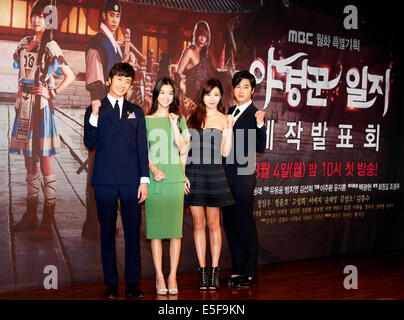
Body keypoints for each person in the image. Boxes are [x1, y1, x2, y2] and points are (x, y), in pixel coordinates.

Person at [83, 62, 149, 299]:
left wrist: (144, 180)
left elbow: (142, 148)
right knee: (107, 233)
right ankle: (111, 283)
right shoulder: (95, 108)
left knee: (133, 232)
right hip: (105, 181)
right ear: (110, 80)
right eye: (119, 79)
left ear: (131, 85)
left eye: (128, 81)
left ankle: (132, 283)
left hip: (132, 181)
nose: (123, 84)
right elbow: (89, 142)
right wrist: (94, 116)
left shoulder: (136, 111)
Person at [10, 0, 75, 239]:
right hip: (24, 107)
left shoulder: (51, 45)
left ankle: (47, 222)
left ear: (49, 20)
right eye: (34, 15)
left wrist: (52, 92)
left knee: (45, 161)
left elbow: (68, 75)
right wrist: (20, 87)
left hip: (42, 108)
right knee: (29, 162)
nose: (36, 20)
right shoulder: (25, 43)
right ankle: (30, 215)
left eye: (42, 16)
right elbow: (21, 68)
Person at [185, 78, 235, 290]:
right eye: (208, 94)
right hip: (194, 174)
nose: (212, 99)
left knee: (214, 224)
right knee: (198, 224)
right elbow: (183, 150)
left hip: (214, 174)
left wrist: (230, 129)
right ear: (202, 95)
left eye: (216, 94)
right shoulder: (192, 117)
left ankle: (214, 271)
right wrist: (182, 175)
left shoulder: (225, 119)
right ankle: (202, 271)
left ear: (220, 96)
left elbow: (225, 152)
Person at [221, 70, 266, 288]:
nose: (241, 90)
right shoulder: (230, 111)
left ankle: (250, 272)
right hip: (227, 174)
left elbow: (259, 147)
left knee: (244, 222)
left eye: (246, 87)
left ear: (253, 90)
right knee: (230, 224)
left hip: (244, 174)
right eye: (238, 86)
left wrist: (260, 125)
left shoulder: (255, 114)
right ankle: (238, 271)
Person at [82, 0, 123, 240]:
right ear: (105, 16)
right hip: (101, 110)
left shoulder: (113, 43)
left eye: (118, 15)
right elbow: (96, 83)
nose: (115, 19)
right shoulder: (97, 42)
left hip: (115, 110)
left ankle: (105, 221)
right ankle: (93, 224)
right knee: (98, 168)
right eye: (111, 15)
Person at [145, 77, 189, 295]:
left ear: (174, 96)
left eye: (170, 93)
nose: (166, 96)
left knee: (174, 232)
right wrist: (153, 170)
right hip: (155, 179)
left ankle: (172, 274)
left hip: (175, 178)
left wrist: (173, 124)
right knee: (155, 231)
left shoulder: (179, 119)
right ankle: (159, 276)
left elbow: (183, 149)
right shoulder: (145, 120)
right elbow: (141, 153)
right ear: (156, 94)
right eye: (162, 92)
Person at [176, 21, 220, 117]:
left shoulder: (206, 55)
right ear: (195, 35)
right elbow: (178, 73)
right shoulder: (189, 52)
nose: (202, 39)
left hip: (204, 95)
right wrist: (181, 90)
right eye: (200, 35)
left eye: (205, 36)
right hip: (191, 96)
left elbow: (213, 73)